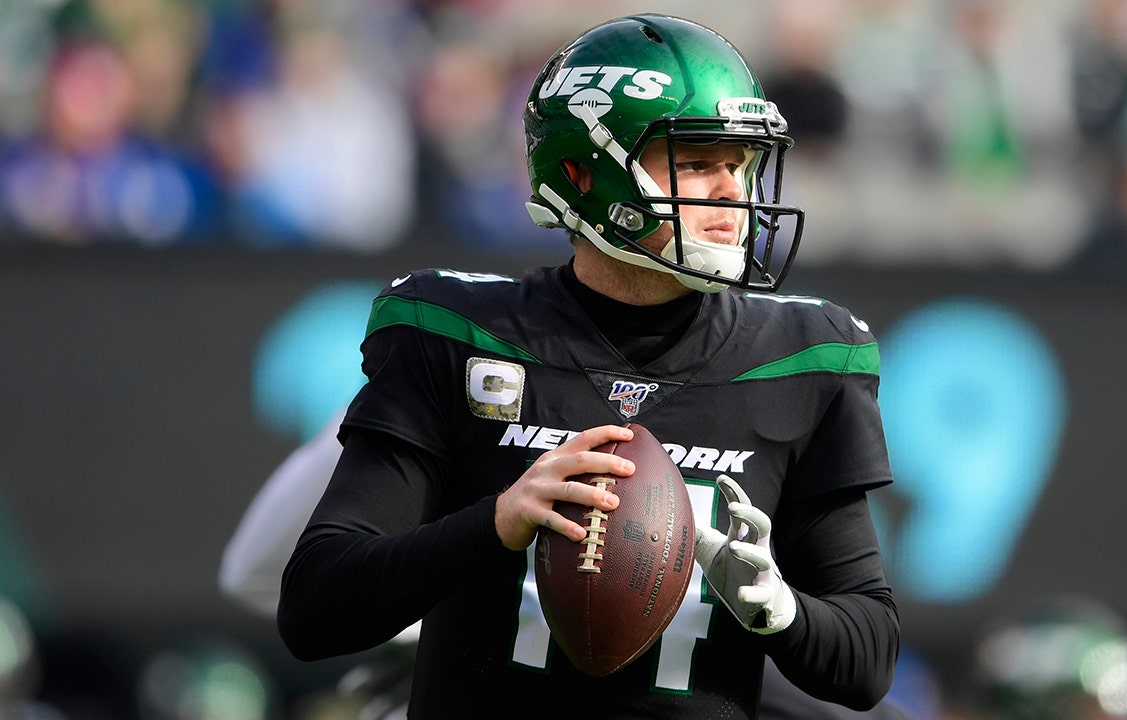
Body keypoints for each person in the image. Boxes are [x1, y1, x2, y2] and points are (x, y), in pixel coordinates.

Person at [277, 14, 899, 718]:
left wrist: (782, 613)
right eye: (697, 160)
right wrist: (495, 524)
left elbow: (867, 662)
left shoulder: (804, 359)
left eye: (740, 162)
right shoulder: (457, 333)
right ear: (584, 171)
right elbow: (313, 607)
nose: (732, 191)